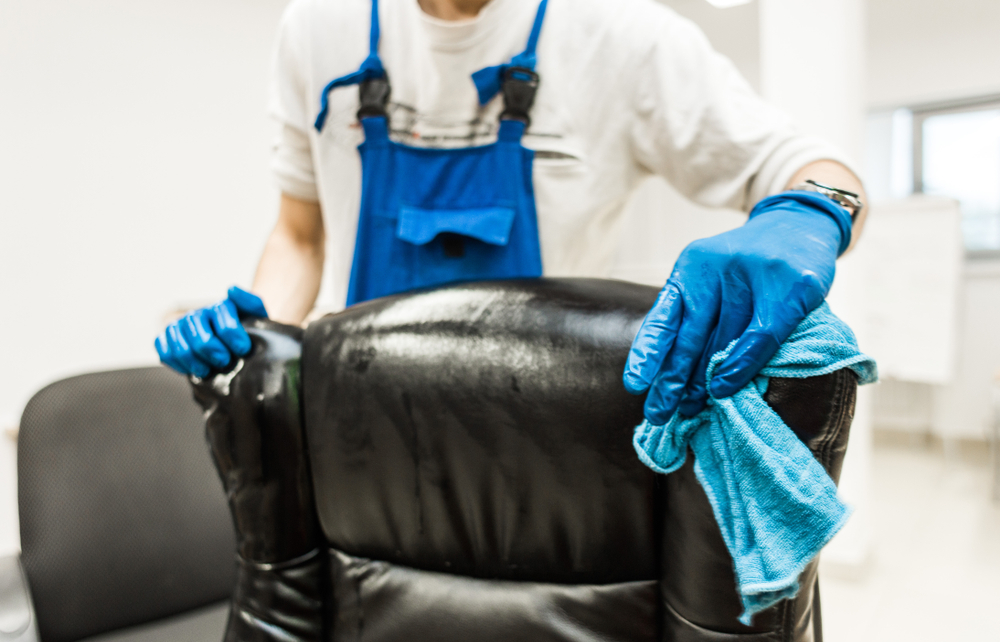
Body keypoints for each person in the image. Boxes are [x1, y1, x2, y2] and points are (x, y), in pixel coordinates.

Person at [156, 0, 867, 426]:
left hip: (548, 433)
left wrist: (809, 214)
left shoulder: (622, 36)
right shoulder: (318, 27)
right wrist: (256, 339)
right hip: (357, 422)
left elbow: (811, 165)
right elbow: (299, 234)